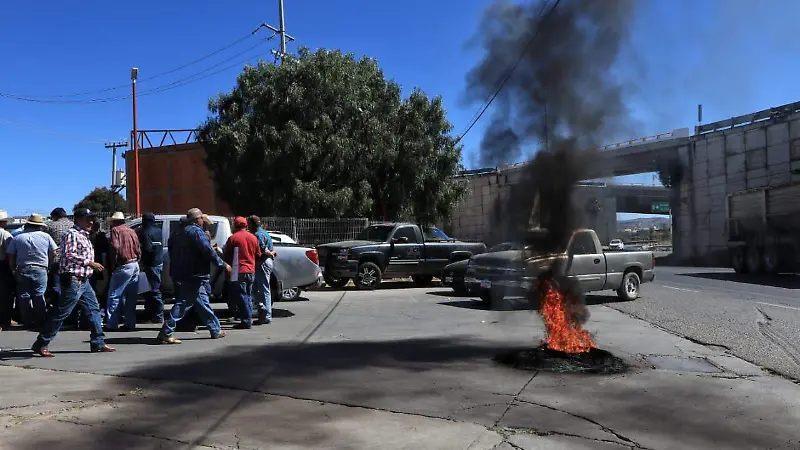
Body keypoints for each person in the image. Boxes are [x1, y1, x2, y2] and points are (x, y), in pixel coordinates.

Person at [31, 208, 114, 357]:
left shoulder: (84, 235)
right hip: (74, 279)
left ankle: (98, 342)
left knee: (93, 309)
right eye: (87, 219)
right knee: (62, 312)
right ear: (78, 219)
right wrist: (89, 263)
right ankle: (42, 343)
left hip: (83, 280)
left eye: (91, 219)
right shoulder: (72, 234)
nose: (91, 222)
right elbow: (68, 254)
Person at [156, 208, 231, 344]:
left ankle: (215, 329)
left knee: (202, 302)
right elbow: (208, 251)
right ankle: (166, 332)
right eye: (202, 218)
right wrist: (223, 264)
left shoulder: (177, 233)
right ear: (198, 219)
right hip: (195, 273)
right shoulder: (196, 232)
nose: (203, 220)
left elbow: (171, 252)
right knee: (184, 303)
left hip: (182, 273)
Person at [6, 214, 57, 329]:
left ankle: (27, 321)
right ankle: (40, 320)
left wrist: (13, 269)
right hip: (40, 268)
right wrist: (49, 265)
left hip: (22, 268)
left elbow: (11, 255)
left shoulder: (18, 238)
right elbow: (54, 252)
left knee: (24, 296)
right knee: (39, 294)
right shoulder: (46, 236)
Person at [104, 212, 141, 331]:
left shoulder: (115, 230)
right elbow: (138, 248)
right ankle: (130, 323)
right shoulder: (131, 231)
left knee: (114, 295)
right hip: (134, 263)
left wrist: (113, 264)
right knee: (131, 296)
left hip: (124, 264)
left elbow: (115, 247)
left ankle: (111, 324)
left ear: (114, 221)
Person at [223, 216, 261, 329]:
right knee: (248, 295)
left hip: (238, 271)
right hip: (251, 270)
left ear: (235, 225)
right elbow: (258, 254)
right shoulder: (253, 238)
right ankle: (247, 318)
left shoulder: (233, 238)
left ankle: (246, 320)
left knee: (242, 297)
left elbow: (227, 255)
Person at [46, 207, 74, 324]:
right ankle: (71, 316)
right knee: (70, 288)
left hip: (56, 260)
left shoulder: (50, 226)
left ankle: (58, 314)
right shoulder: (73, 225)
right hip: (72, 261)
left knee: (56, 288)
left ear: (55, 216)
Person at [248, 216, 277, 325]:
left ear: (251, 224)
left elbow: (262, 248)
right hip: (264, 262)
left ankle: (267, 315)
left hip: (262, 262)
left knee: (264, 289)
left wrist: (270, 253)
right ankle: (262, 311)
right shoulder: (264, 232)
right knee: (257, 289)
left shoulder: (258, 234)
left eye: (248, 224)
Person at [139, 212, 164, 324]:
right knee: (152, 290)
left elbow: (147, 249)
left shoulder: (145, 232)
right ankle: (150, 314)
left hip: (150, 265)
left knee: (153, 291)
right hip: (158, 263)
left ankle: (158, 315)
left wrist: (142, 261)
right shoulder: (158, 231)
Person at [0, 210, 14, 331]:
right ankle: (5, 320)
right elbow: (10, 253)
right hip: (2, 265)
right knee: (5, 294)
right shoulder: (5, 235)